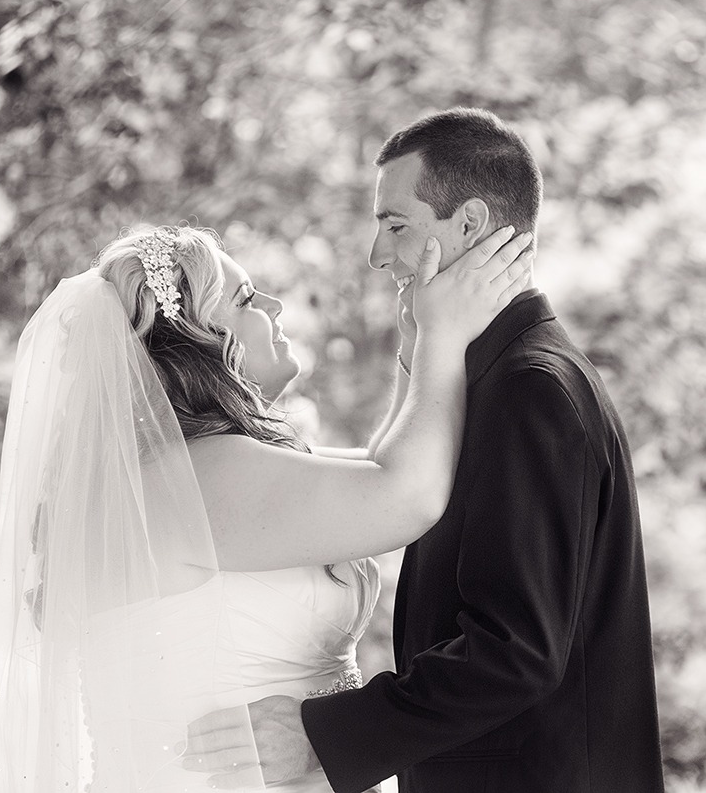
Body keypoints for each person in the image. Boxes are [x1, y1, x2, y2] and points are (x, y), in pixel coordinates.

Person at [184, 108, 666, 792]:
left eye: (395, 224)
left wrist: (323, 736)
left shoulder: (530, 389)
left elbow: (515, 651)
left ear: (468, 225)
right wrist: (421, 355)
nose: (378, 255)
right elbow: (386, 485)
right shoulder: (492, 378)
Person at [0, 222, 533, 792]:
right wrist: (444, 337)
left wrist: (416, 347)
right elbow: (407, 496)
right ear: (200, 339)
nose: (274, 304)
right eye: (244, 299)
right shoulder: (203, 476)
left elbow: (378, 469)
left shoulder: (175, 474)